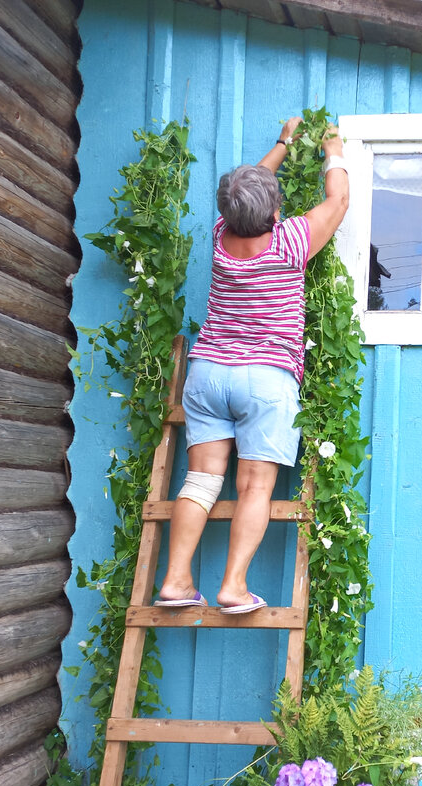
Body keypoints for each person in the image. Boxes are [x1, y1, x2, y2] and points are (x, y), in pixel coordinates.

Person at [156, 116, 349, 613]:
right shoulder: (291, 241)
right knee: (254, 486)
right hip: (264, 378)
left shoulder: (222, 237)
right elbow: (338, 200)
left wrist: (282, 142)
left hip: (207, 374)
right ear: (275, 211)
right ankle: (233, 587)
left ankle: (175, 581)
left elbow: (249, 191)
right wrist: (332, 148)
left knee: (201, 481)